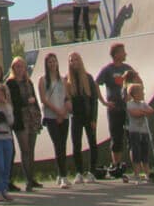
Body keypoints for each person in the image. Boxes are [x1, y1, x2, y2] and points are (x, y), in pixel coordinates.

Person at [96, 43, 134, 175]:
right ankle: (116, 165)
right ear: (116, 54)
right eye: (123, 52)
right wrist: (104, 102)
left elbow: (136, 83)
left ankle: (137, 167)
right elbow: (96, 83)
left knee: (132, 137)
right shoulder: (108, 70)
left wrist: (133, 98)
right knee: (116, 137)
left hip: (128, 108)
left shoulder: (127, 68)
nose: (125, 54)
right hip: (114, 109)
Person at [7, 56, 42, 191]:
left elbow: (35, 99)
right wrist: (27, 102)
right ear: (13, 68)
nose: (20, 69)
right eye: (17, 66)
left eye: (22, 66)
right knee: (25, 149)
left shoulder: (28, 82)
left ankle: (31, 178)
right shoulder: (10, 83)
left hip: (32, 116)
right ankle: (28, 180)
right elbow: (14, 102)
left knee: (31, 149)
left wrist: (38, 113)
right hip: (20, 119)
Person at [38, 52, 71, 188]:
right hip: (51, 116)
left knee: (63, 145)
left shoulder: (63, 80)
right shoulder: (42, 80)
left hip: (64, 115)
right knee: (57, 144)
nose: (52, 64)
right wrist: (57, 112)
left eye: (54, 61)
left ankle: (61, 173)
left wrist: (63, 112)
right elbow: (43, 99)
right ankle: (63, 176)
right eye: (49, 62)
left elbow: (67, 97)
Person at [66, 51, 98, 183]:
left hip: (88, 115)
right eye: (71, 60)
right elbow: (66, 99)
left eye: (76, 60)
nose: (74, 62)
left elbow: (94, 99)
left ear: (80, 61)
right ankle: (79, 172)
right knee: (76, 144)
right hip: (76, 116)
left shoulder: (88, 78)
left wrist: (94, 118)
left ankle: (92, 172)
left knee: (92, 143)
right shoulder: (67, 80)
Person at [125, 83, 154, 184]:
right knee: (136, 152)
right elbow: (134, 114)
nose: (143, 93)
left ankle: (147, 173)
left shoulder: (143, 103)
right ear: (135, 94)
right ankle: (136, 174)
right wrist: (143, 112)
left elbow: (151, 111)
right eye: (141, 92)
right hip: (134, 131)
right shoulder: (129, 104)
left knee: (145, 152)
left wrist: (142, 111)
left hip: (144, 131)